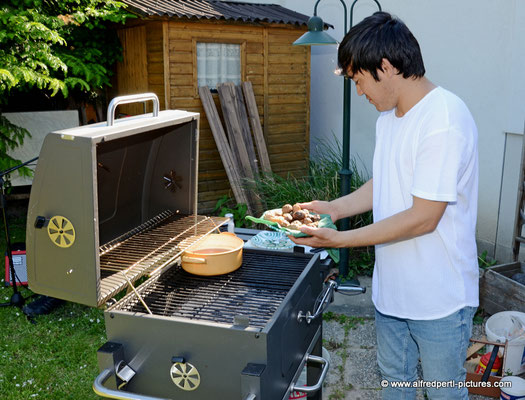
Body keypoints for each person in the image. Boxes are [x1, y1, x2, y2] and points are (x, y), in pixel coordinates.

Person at [289, 11, 479, 400]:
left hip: (439, 299)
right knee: (396, 383)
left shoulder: (443, 119)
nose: (359, 92)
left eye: (359, 80)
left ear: (387, 67)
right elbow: (386, 182)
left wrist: (341, 241)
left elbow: (424, 218)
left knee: (444, 393)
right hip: (392, 292)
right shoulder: (389, 119)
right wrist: (335, 209)